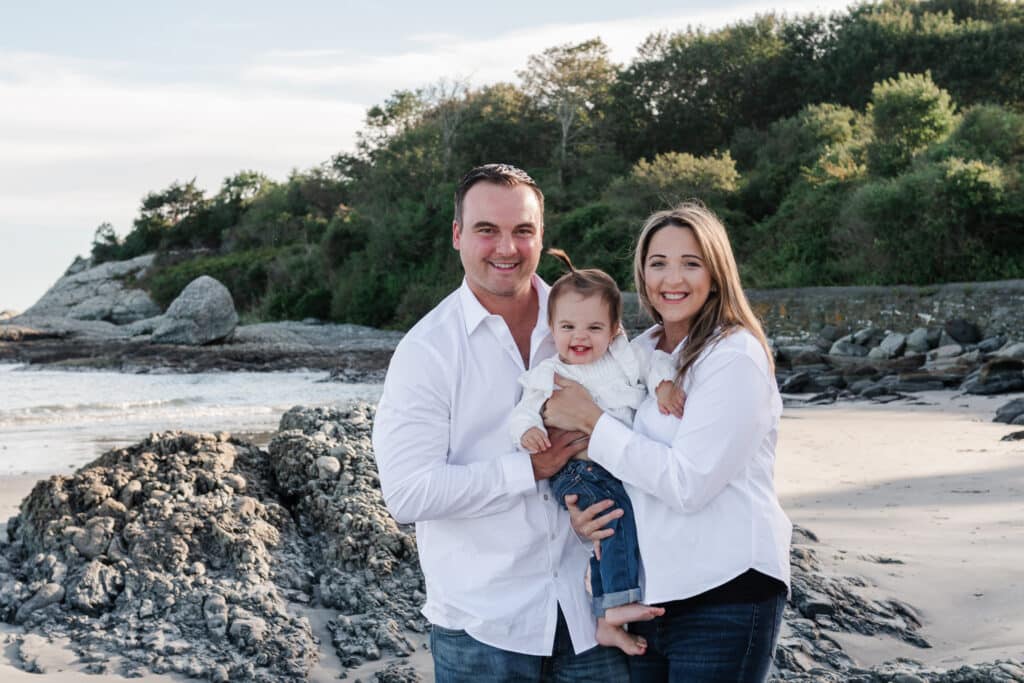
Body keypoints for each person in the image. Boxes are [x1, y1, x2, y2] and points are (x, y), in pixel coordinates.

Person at [371, 164, 629, 681]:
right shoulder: (427, 351)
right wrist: (528, 469)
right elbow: (407, 494)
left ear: (541, 236)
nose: (506, 248)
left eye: (522, 231)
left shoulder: (592, 326)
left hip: (591, 615)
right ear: (457, 235)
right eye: (487, 230)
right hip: (483, 627)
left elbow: (637, 433)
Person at [543, 202, 792, 682]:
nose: (671, 278)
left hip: (726, 593)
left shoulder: (733, 356)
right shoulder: (637, 353)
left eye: (690, 263)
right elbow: (615, 463)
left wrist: (594, 423)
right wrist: (584, 514)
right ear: (641, 274)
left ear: (716, 275)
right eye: (658, 263)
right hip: (649, 600)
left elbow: (687, 484)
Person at [507, 248, 670, 656]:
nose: (580, 337)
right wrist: (527, 430)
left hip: (613, 466)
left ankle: (604, 617)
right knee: (614, 515)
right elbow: (523, 410)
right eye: (568, 327)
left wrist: (665, 384)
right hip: (577, 469)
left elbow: (656, 364)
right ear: (552, 328)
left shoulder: (623, 358)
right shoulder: (550, 373)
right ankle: (615, 606)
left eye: (594, 327)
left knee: (610, 530)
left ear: (614, 329)